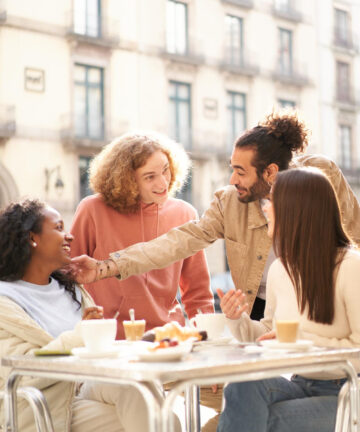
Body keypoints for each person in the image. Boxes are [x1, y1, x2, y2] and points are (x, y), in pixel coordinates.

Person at [70, 112, 360, 322]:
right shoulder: (230, 202)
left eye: (241, 171)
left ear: (270, 172)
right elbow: (175, 243)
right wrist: (105, 267)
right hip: (259, 310)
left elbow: (355, 234)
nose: (232, 179)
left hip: (321, 300)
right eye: (231, 168)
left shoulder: (321, 177)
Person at [0, 199, 180, 432]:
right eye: (58, 228)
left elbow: (96, 350)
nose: (69, 236)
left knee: (138, 384)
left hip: (84, 386)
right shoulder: (6, 300)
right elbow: (20, 374)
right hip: (44, 403)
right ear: (33, 238)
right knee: (158, 421)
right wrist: (81, 334)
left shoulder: (70, 289)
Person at [217, 167, 360, 432]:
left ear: (297, 210)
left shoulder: (351, 267)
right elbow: (271, 335)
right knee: (241, 384)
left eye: (271, 201)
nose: (265, 209)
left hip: (348, 393)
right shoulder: (281, 269)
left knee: (260, 421)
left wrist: (302, 340)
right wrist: (238, 320)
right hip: (299, 382)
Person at [70, 131, 213, 339]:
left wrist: (206, 336)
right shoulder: (93, 209)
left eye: (166, 171)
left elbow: (198, 293)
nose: (163, 183)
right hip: (109, 339)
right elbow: (68, 279)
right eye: (150, 177)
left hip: (168, 338)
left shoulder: (185, 213)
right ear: (127, 180)